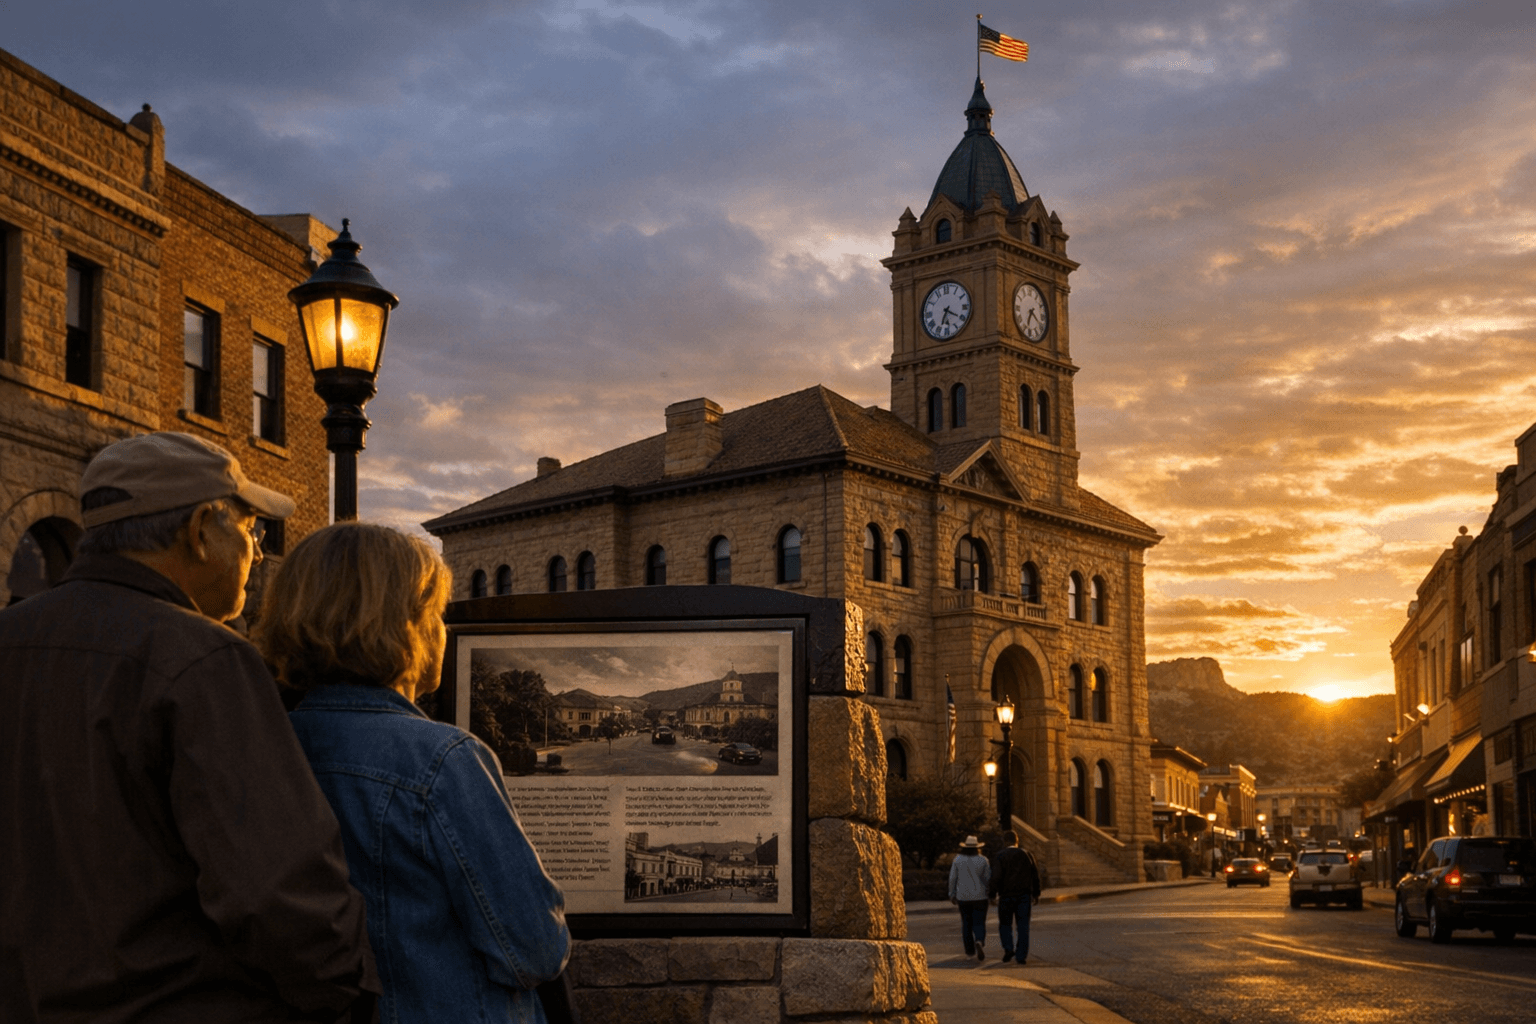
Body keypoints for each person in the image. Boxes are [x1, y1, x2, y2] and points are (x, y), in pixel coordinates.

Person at [0, 431, 377, 1023]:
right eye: (250, 530)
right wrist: (350, 997)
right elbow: (280, 896)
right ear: (201, 530)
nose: (257, 554)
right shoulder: (203, 658)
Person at [256, 522, 570, 1023]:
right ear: (408, 627)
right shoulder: (443, 761)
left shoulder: (263, 744)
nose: (445, 630)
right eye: (438, 614)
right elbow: (535, 949)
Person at [989, 830, 1042, 964]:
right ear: (1017, 841)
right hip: (1023, 895)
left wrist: (992, 894)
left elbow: (996, 876)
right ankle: (1021, 955)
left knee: (1005, 924)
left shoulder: (1000, 856)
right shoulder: (1027, 854)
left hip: (1006, 895)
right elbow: (1035, 875)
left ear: (1005, 841)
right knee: (1023, 926)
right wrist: (1036, 893)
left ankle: (1008, 948)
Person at [948, 834, 992, 961]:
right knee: (979, 921)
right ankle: (979, 940)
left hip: (963, 897)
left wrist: (952, 894)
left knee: (966, 924)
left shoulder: (957, 860)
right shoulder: (983, 860)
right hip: (980, 896)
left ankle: (970, 951)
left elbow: (952, 878)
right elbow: (987, 878)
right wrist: (990, 891)